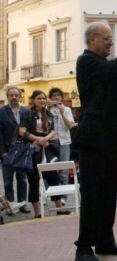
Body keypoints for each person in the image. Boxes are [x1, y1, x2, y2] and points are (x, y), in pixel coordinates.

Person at [72, 21, 117, 261]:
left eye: (112, 38)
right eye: (107, 38)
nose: (111, 42)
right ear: (93, 41)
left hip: (109, 140)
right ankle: (83, 248)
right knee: (92, 195)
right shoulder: (87, 62)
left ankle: (104, 241)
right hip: (92, 142)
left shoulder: (107, 69)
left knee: (108, 193)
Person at [18, 90, 70, 218]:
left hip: (47, 149)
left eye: (44, 98)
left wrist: (45, 139)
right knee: (34, 180)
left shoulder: (48, 113)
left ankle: (60, 207)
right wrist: (38, 139)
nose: (42, 100)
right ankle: (38, 212)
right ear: (33, 100)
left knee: (53, 178)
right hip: (32, 150)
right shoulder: (28, 113)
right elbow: (22, 131)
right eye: (39, 98)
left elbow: (53, 130)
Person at [0, 87, 30, 213]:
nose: (14, 97)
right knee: (8, 181)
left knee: (22, 179)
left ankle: (23, 203)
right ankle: (10, 205)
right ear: (7, 97)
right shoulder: (1, 112)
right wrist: (2, 152)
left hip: (22, 151)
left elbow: (29, 131)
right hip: (7, 151)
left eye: (16, 95)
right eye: (11, 95)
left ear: (20, 97)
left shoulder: (25, 111)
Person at [48, 87, 75, 203]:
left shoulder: (67, 109)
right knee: (49, 168)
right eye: (54, 95)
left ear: (61, 97)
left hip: (64, 142)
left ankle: (63, 197)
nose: (56, 97)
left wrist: (62, 113)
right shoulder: (47, 110)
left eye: (58, 95)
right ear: (51, 97)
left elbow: (70, 126)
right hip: (51, 142)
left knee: (64, 170)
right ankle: (50, 195)